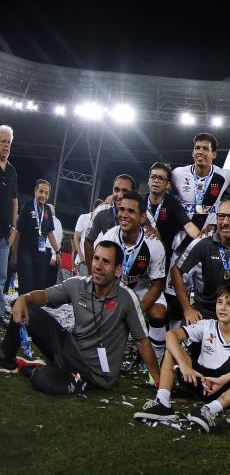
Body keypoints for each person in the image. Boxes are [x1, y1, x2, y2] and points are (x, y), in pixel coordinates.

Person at [1, 241, 159, 394]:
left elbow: (142, 341)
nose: (98, 266)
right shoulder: (78, 284)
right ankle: (6, 360)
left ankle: (31, 368)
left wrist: (160, 384)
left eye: (106, 262)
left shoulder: (126, 298)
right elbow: (44, 296)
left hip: (92, 372)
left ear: (117, 270)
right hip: (68, 347)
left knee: (42, 379)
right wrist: (24, 298)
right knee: (24, 306)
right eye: (96, 259)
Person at [134, 285, 230, 432]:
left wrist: (223, 379)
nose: (222, 308)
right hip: (199, 379)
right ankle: (162, 402)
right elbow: (170, 335)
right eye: (219, 302)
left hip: (225, 387)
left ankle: (209, 410)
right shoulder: (206, 325)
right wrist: (185, 366)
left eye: (229, 304)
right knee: (173, 348)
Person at [95, 191, 169, 362]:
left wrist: (137, 310)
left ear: (143, 217)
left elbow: (157, 284)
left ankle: (154, 362)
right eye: (122, 210)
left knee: (158, 313)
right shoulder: (110, 237)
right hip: (116, 288)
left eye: (130, 211)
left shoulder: (154, 244)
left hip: (144, 289)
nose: (124, 215)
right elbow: (101, 275)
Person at [12, 179, 61, 294]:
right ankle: (22, 309)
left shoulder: (48, 210)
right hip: (25, 251)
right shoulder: (27, 207)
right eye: (41, 191)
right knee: (26, 283)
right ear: (35, 192)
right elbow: (18, 232)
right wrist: (14, 254)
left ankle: (32, 310)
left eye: (46, 193)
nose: (43, 195)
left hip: (40, 253)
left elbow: (50, 233)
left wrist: (58, 252)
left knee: (38, 285)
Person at [0, 125, 18, 319]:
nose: (6, 145)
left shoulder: (12, 170)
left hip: (4, 234)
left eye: (9, 142)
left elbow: (14, 201)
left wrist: (14, 227)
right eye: (2, 141)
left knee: (2, 277)